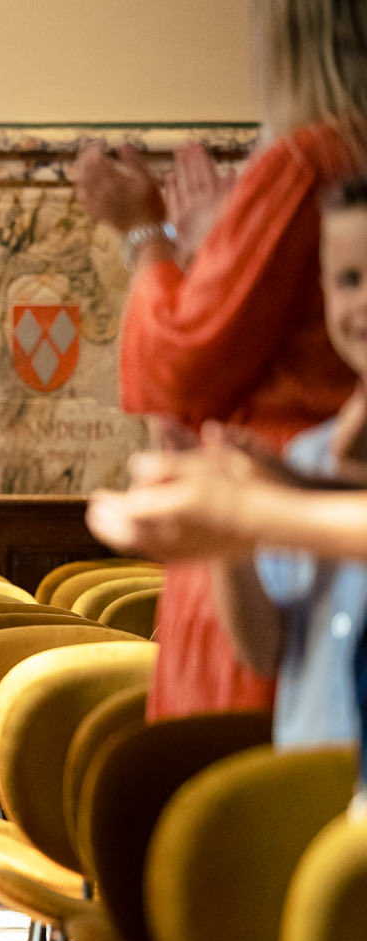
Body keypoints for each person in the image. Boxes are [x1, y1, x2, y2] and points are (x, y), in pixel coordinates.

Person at [71, 0, 367, 721]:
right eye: (349, 280)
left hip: (274, 538)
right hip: (297, 496)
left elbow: (182, 366)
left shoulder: (309, 157)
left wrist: (147, 235)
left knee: (240, 793)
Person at [88, 176, 367, 752]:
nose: (363, 301)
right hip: (310, 795)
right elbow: (261, 649)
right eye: (349, 279)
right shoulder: (309, 455)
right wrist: (226, 545)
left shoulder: (290, 484)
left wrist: (252, 511)